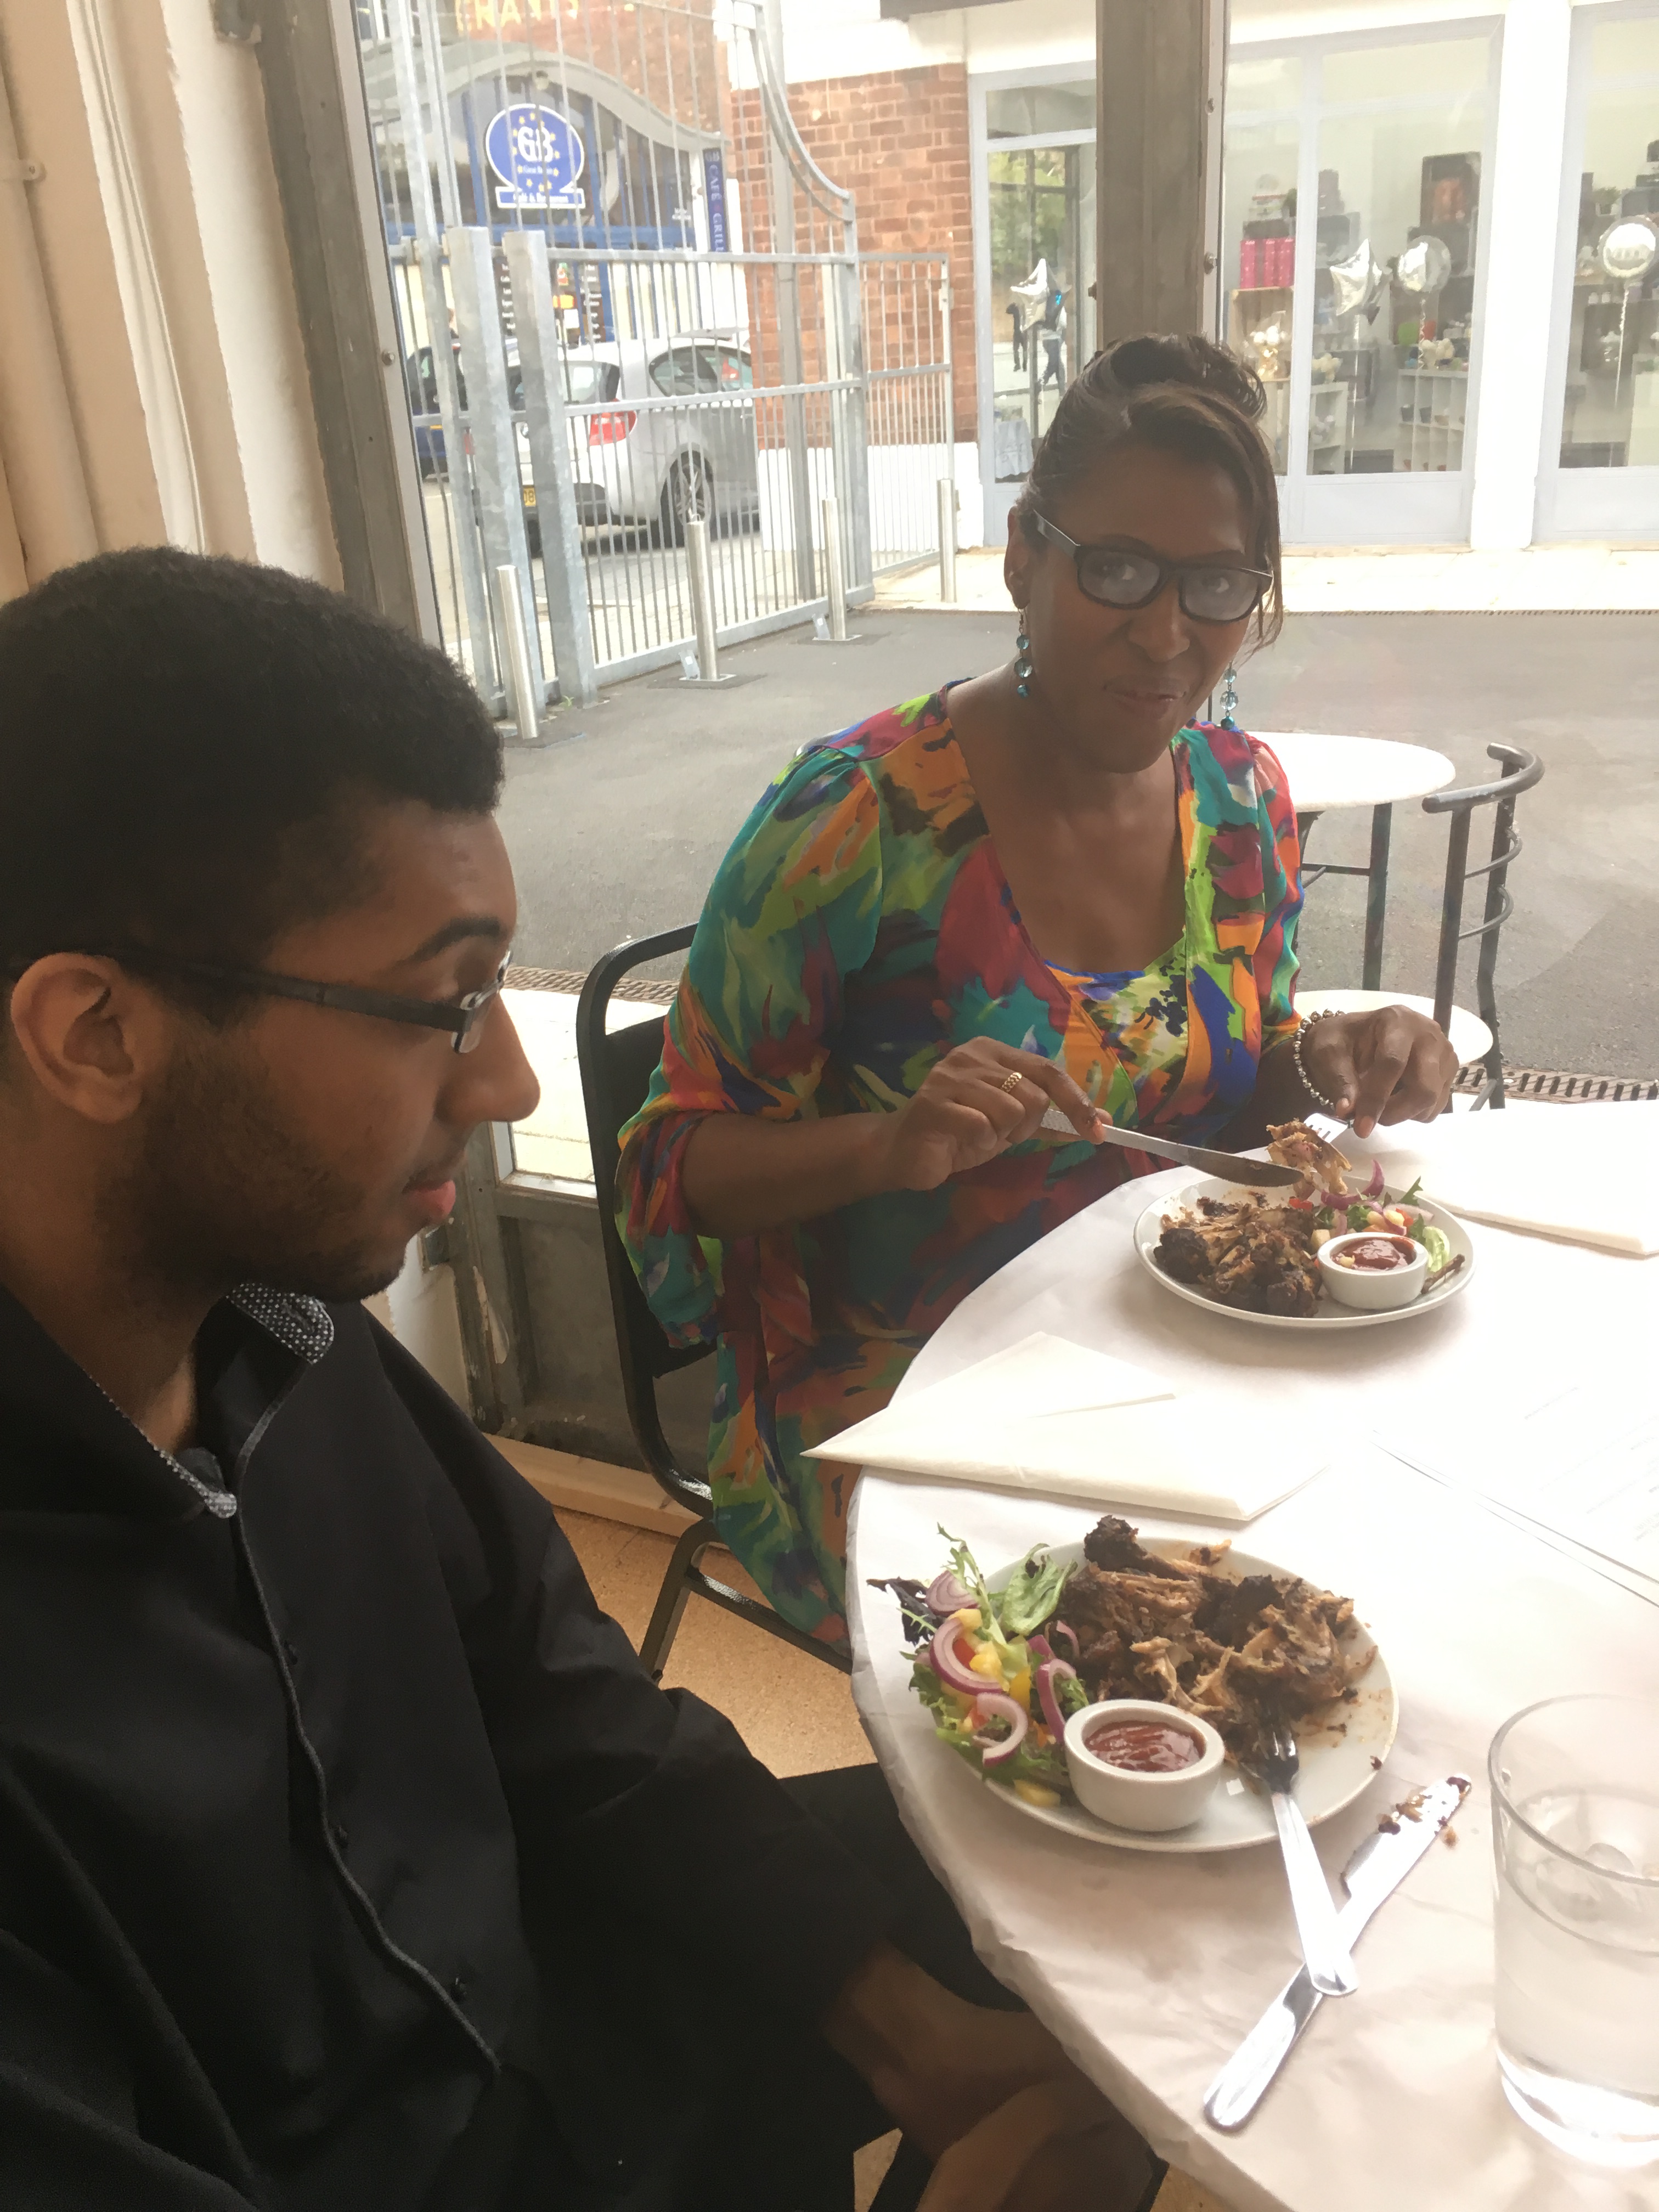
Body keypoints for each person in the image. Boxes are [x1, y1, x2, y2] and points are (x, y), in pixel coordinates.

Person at [0, 549, 1156, 2211]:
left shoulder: (291, 1339)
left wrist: (909, 2034)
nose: (509, 1078)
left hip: (552, 2036)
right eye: (444, 1001)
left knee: (1092, 1895)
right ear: (96, 1036)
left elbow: (565, 1707)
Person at [617, 334, 1458, 1647]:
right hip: (900, 1410)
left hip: (1168, 1362)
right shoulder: (859, 819)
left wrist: (1331, 1058)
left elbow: (1232, 1102)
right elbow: (672, 1167)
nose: (1168, 635)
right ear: (1024, 555)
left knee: (1386, 1583)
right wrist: (890, 1145)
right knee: (1149, 1666)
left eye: (1217, 584)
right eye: (1117, 569)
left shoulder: (1241, 799)